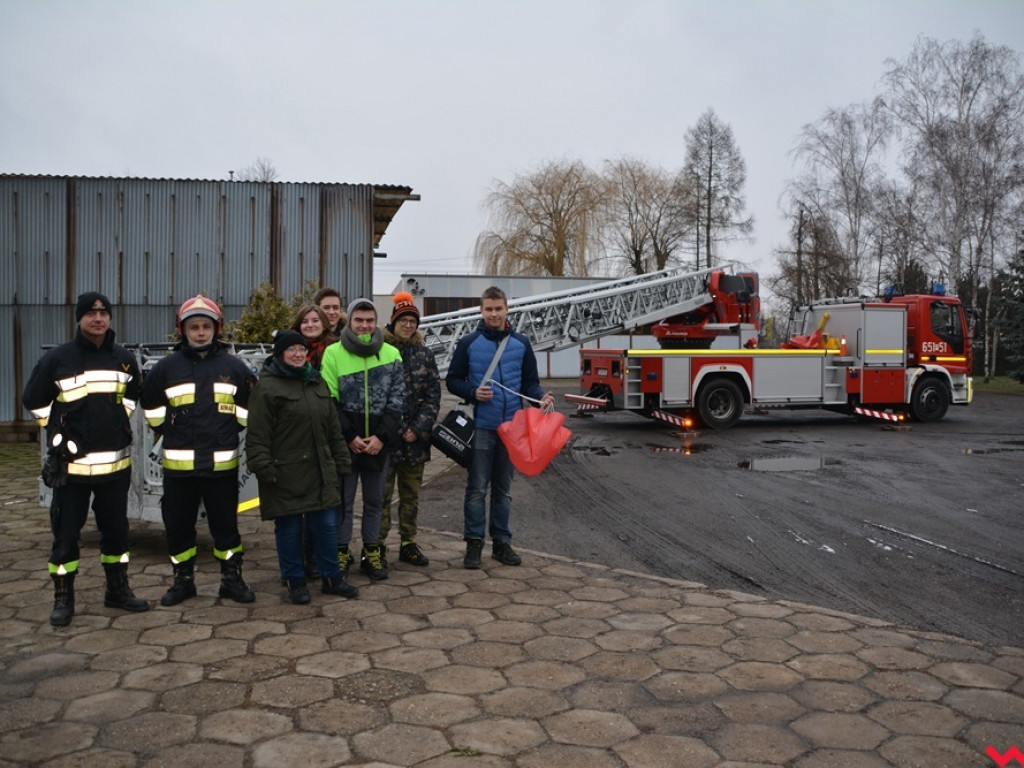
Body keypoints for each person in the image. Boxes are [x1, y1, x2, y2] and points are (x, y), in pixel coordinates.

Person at [22, 291, 149, 626]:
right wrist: (57, 430)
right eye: (91, 314)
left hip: (115, 468)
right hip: (72, 470)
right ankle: (63, 598)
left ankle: (117, 591)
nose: (98, 319)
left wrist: (117, 421)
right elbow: (33, 400)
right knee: (66, 537)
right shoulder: (58, 359)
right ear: (79, 319)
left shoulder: (124, 359)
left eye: (104, 314)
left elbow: (133, 396)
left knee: (117, 535)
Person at [141, 296, 255, 606]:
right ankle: (183, 582)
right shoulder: (166, 368)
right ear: (183, 330)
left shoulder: (234, 367)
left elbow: (247, 409)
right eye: (195, 327)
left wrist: (229, 430)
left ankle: (231, 581)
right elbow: (150, 406)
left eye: (206, 326)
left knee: (226, 529)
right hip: (179, 471)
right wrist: (169, 430)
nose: (201, 332)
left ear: (216, 329)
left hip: (221, 469)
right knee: (178, 529)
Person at [446, 286, 554, 569]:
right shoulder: (468, 343)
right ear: (481, 311)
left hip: (511, 429)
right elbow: (453, 380)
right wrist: (472, 392)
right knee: (477, 489)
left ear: (507, 309)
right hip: (481, 426)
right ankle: (473, 544)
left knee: (504, 490)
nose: (494, 314)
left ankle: (502, 543)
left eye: (498, 308)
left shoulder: (521, 343)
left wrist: (539, 397)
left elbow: (529, 382)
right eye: (488, 309)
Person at [246, 330, 358, 603]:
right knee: (290, 530)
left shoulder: (316, 382)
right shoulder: (267, 388)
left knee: (326, 527)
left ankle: (332, 578)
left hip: (320, 472)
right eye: (291, 349)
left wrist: (342, 460)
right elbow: (258, 434)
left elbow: (333, 428)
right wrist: (264, 467)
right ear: (279, 353)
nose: (297, 354)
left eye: (301, 349)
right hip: (285, 473)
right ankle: (295, 581)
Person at [320, 298, 404, 581]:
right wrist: (350, 436)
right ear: (350, 321)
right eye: (359, 320)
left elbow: (397, 400)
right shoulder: (333, 353)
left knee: (375, 501)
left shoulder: (392, 354)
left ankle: (372, 552)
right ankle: (341, 551)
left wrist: (381, 437)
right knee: (343, 502)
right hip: (347, 444)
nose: (364, 326)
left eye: (369, 321)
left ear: (376, 322)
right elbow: (330, 400)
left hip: (379, 444)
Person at [380, 292, 441, 567]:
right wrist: (395, 427)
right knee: (380, 495)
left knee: (411, 495)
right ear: (393, 322)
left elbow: (433, 396)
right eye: (403, 320)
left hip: (416, 441)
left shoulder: (425, 354)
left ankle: (408, 543)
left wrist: (418, 428)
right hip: (386, 440)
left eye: (412, 320)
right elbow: (375, 395)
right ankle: (375, 544)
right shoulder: (379, 351)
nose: (407, 325)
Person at [291, 303, 337, 370]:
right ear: (299, 326)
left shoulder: (335, 348)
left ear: (324, 325)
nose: (310, 325)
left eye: (315, 321)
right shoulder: (288, 348)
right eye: (304, 321)